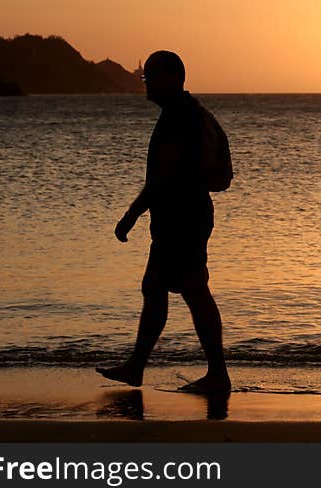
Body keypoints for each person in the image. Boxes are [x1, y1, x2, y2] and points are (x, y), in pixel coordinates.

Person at [96, 50, 231, 395]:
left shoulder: (179, 118)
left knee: (192, 291)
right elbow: (219, 175)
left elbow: (161, 179)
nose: (146, 85)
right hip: (188, 216)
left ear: (171, 78)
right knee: (159, 288)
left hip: (182, 219)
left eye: (150, 78)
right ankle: (138, 367)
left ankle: (216, 375)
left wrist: (130, 215)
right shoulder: (196, 113)